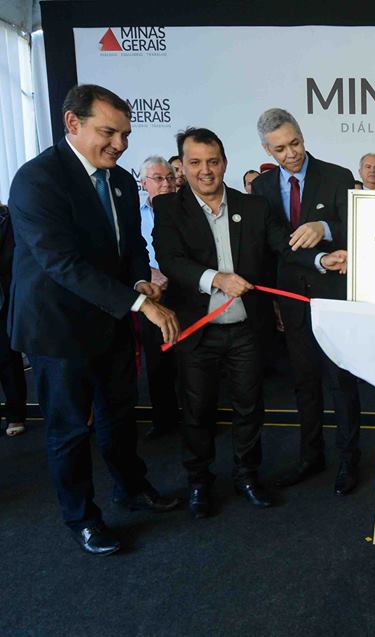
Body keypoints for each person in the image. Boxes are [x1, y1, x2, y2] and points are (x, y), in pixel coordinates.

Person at [7, 84, 181, 555]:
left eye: (125, 134)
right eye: (109, 132)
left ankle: (131, 487)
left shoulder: (120, 180)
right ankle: (81, 518)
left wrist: (140, 280)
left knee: (119, 415)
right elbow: (62, 264)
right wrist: (140, 304)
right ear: (72, 123)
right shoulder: (36, 180)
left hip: (112, 321)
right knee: (68, 430)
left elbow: (131, 246)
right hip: (58, 328)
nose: (120, 144)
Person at [153, 127, 345, 518]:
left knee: (249, 407)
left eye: (213, 161)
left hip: (245, 330)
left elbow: (283, 245)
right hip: (198, 331)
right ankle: (199, 482)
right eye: (195, 163)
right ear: (182, 167)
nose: (206, 170)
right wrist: (217, 279)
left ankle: (247, 476)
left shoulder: (253, 206)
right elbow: (171, 260)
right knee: (198, 411)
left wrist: (320, 260)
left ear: (224, 162)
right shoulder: (168, 208)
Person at [251, 108, 363, 494]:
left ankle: (349, 459)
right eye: (280, 149)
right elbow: (273, 243)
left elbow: (356, 228)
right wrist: (277, 298)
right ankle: (310, 456)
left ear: (302, 135)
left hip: (333, 297)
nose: (291, 154)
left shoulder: (337, 176)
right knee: (304, 383)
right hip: (292, 297)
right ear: (267, 150)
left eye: (295, 143)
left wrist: (324, 227)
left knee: (341, 381)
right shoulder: (262, 188)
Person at [137, 156, 181, 439]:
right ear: (144, 183)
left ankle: (197, 421)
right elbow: (129, 252)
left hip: (185, 291)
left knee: (190, 361)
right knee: (156, 361)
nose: (166, 184)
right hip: (151, 296)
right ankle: (164, 419)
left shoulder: (186, 209)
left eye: (170, 178)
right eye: (159, 178)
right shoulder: (132, 214)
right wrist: (148, 273)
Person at [0, 202, 26, 437]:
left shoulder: (7, 217)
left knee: (8, 357)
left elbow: (13, 257)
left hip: (5, 296)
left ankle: (15, 415)